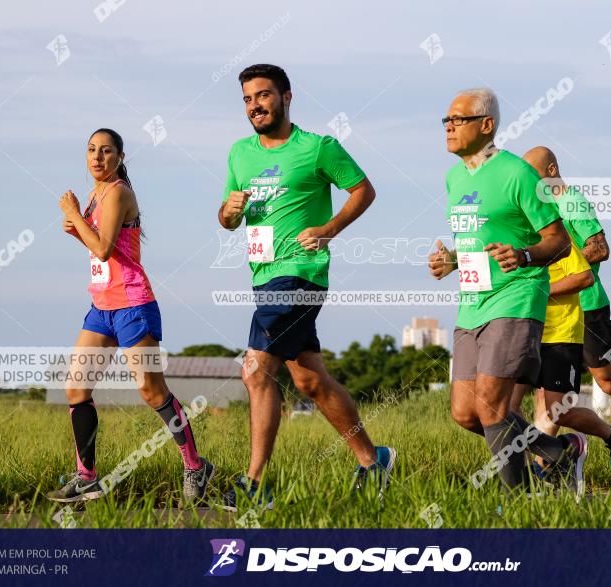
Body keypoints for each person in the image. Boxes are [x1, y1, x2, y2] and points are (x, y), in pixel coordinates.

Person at [217, 64, 395, 509]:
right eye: (247, 99)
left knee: (256, 371)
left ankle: (254, 485)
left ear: (286, 97)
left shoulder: (317, 148)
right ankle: (373, 463)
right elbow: (226, 219)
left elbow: (363, 190)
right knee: (310, 380)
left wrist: (330, 228)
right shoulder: (240, 153)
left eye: (263, 95)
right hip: (263, 276)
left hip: (301, 273)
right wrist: (230, 210)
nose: (255, 105)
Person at [428, 87, 586, 494]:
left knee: (492, 406)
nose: (448, 126)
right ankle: (558, 452)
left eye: (458, 119)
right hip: (471, 302)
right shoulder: (454, 177)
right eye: (446, 119)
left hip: (516, 296)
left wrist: (525, 255)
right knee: (466, 413)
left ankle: (516, 502)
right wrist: (451, 262)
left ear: (486, 125)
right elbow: (476, 242)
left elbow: (559, 241)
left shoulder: (518, 173)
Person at [47, 128, 214, 504]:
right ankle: (87, 477)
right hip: (102, 307)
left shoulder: (119, 191)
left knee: (152, 391)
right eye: (91, 150)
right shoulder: (95, 194)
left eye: (106, 151)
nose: (97, 157)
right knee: (76, 387)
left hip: (134, 304)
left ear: (120, 157)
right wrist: (77, 229)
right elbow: (104, 249)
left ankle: (195, 466)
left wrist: (74, 214)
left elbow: (104, 250)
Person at [522, 146, 611, 484]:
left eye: (533, 176)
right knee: (547, 394)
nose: (528, 183)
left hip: (587, 305)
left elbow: (599, 248)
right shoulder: (537, 210)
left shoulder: (570, 201)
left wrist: (560, 272)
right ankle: (547, 466)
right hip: (553, 312)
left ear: (551, 170)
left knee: (609, 382)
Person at [508, 241, 611, 481]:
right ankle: (521, 478)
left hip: (559, 335)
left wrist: (539, 292)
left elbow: (584, 277)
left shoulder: (553, 237)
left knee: (558, 412)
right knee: (504, 410)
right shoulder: (510, 234)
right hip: (523, 332)